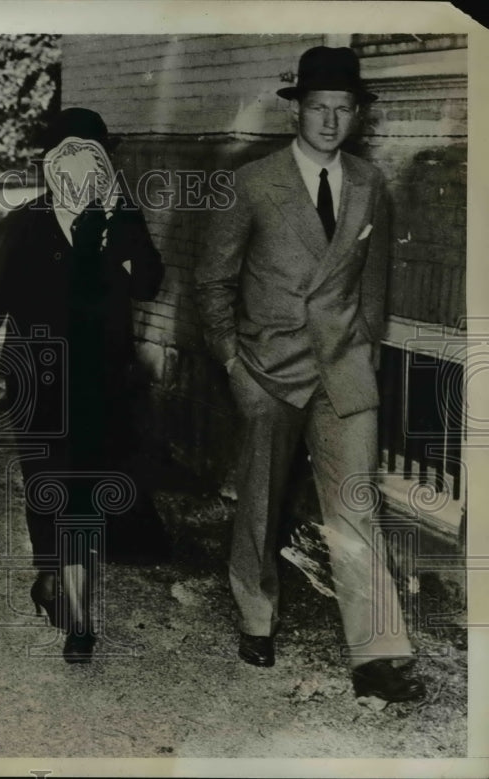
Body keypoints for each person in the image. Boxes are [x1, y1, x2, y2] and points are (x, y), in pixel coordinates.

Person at [194, 46, 425, 702]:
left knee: (357, 506)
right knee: (261, 505)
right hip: (269, 368)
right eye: (319, 108)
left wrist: (365, 355)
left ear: (356, 116)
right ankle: (256, 615)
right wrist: (235, 364)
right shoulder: (255, 182)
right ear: (297, 110)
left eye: (343, 109)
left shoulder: (369, 184)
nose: (330, 121)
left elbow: (373, 286)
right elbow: (214, 282)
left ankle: (375, 653)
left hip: (344, 371)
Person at [0, 108, 166, 663]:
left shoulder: (121, 218)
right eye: (67, 159)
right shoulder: (26, 225)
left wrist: (114, 231)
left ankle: (72, 607)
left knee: (84, 492)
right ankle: (57, 583)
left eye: (93, 158)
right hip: (40, 382)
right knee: (49, 487)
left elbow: (150, 280)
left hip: (103, 382)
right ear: (50, 167)